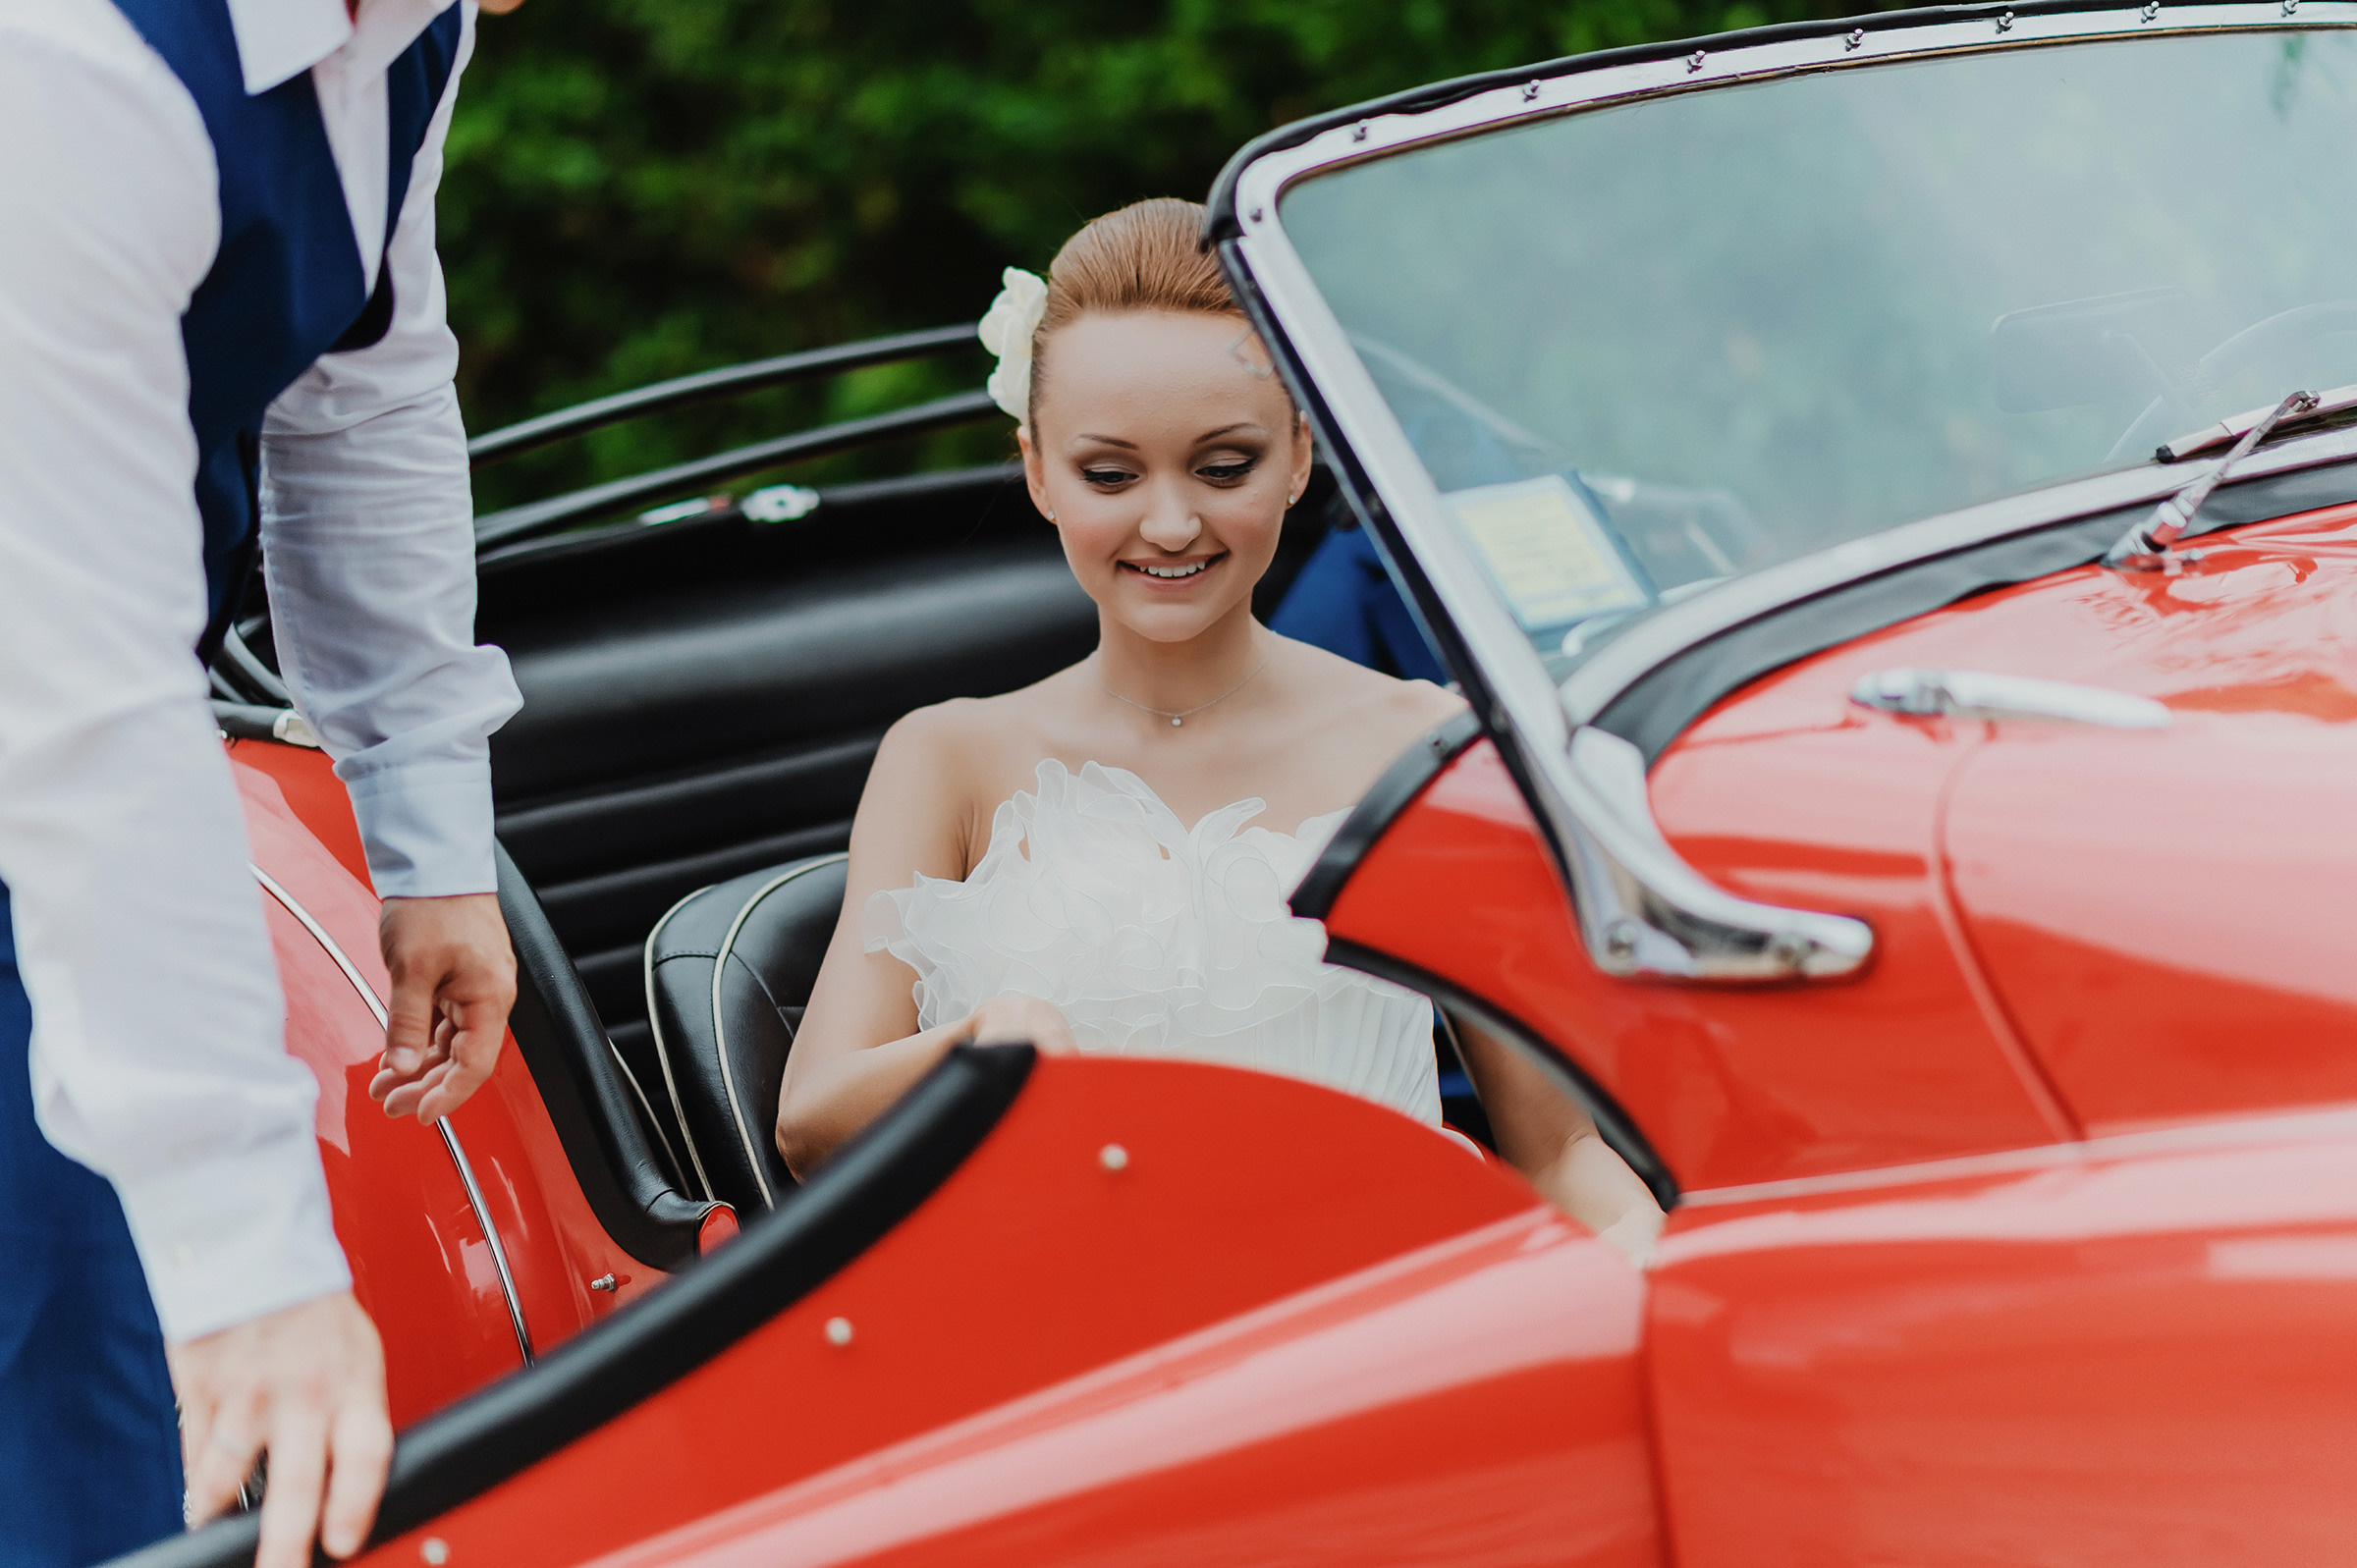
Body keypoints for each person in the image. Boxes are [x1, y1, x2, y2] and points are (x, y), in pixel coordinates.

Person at [774, 199, 1662, 1259]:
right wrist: (983, 1049)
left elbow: (1557, 1149)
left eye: (1224, 465)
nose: (1170, 523)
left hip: (1386, 1302)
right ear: (1038, 471)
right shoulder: (946, 755)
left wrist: (1660, 1265)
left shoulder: (1429, 744)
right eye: (1111, 474)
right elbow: (811, 1122)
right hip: (1058, 1318)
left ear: (1298, 456)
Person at [0, 2, 524, 1564]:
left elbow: (367, 392)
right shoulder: (70, 69)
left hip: (53, 789)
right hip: (60, 735)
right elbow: (84, 694)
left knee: (80, 1423)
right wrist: (255, 1267)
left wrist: (432, 839)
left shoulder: (414, 25)